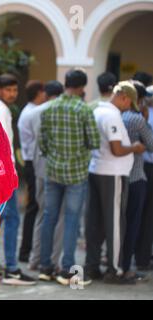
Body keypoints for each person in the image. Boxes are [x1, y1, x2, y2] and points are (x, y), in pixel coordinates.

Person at [39, 68, 99, 286]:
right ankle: (67, 270)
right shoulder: (84, 110)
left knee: (49, 217)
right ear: (82, 87)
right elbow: (94, 141)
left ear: (65, 84)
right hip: (76, 174)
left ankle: (45, 267)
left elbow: (42, 142)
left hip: (53, 171)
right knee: (72, 221)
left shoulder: (49, 108)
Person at [85, 81, 145, 285]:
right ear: (124, 97)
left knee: (95, 222)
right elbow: (117, 149)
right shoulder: (111, 115)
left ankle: (92, 266)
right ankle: (115, 270)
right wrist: (135, 147)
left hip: (96, 168)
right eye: (129, 103)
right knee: (115, 223)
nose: (128, 107)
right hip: (112, 173)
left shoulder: (97, 110)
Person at [0, 74, 37, 285]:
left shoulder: (1, 109)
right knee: (10, 220)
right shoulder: (0, 110)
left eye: (14, 90)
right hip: (3, 175)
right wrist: (8, 175)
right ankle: (12, 269)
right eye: (8, 90)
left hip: (2, 173)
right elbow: (0, 146)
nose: (12, 94)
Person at [26, 80, 65, 271]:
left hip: (40, 167)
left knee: (43, 213)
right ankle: (54, 261)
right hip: (61, 169)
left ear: (46, 93)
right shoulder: (65, 110)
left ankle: (36, 258)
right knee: (59, 216)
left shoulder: (35, 113)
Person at [120, 81, 153, 280]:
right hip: (137, 173)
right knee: (136, 219)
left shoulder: (117, 115)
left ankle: (116, 261)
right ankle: (129, 264)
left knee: (120, 220)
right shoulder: (137, 119)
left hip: (118, 175)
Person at [17, 80, 46, 262]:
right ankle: (26, 251)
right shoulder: (32, 113)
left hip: (30, 161)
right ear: (38, 93)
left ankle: (26, 250)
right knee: (33, 207)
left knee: (33, 207)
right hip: (31, 162)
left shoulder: (29, 111)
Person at [137, 85, 153, 271]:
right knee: (147, 214)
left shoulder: (141, 114)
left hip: (142, 166)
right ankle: (142, 258)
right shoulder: (141, 116)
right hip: (145, 167)